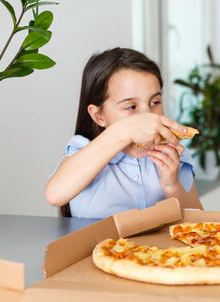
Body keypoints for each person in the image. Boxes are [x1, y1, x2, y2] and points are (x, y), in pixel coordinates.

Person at [45, 48, 203, 218]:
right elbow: (55, 195)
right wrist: (125, 131)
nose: (148, 116)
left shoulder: (173, 154)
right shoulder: (84, 150)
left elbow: (201, 224)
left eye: (155, 102)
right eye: (131, 107)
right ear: (99, 116)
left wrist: (172, 185)